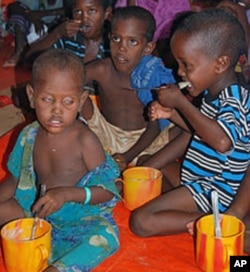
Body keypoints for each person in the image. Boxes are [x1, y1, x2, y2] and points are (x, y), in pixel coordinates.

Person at [129, 9, 250, 240]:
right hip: (196, 177)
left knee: (141, 221)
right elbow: (198, 131)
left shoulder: (235, 100)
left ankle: (214, 224)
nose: (180, 72)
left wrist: (181, 105)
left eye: (187, 65)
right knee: (146, 166)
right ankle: (195, 214)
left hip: (215, 188)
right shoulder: (212, 93)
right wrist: (172, 113)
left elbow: (222, 142)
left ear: (220, 63)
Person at [0, 49, 121, 271]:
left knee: (106, 238)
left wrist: (66, 194)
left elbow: (108, 191)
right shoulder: (28, 135)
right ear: (31, 96)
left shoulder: (85, 140)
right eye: (47, 99)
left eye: (68, 101)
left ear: (81, 99)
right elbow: (16, 180)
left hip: (81, 220)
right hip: (37, 212)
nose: (57, 110)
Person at [80, 6, 179, 171]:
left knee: (186, 130)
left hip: (145, 139)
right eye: (116, 39)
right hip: (105, 135)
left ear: (148, 48)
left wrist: (127, 156)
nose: (121, 48)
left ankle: (145, 164)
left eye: (132, 41)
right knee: (73, 93)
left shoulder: (153, 77)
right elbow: (68, 79)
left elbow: (154, 127)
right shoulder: (102, 69)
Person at [25, 0, 112, 67]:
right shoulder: (70, 39)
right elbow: (30, 59)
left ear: (106, 13)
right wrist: (57, 34)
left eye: (92, 11)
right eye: (78, 11)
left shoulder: (112, 43)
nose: (84, 19)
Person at [3, 0, 65, 67]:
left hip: (55, 29)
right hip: (37, 28)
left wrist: (41, 14)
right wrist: (33, 18)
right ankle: (19, 52)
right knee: (19, 18)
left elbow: (71, 9)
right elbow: (14, 7)